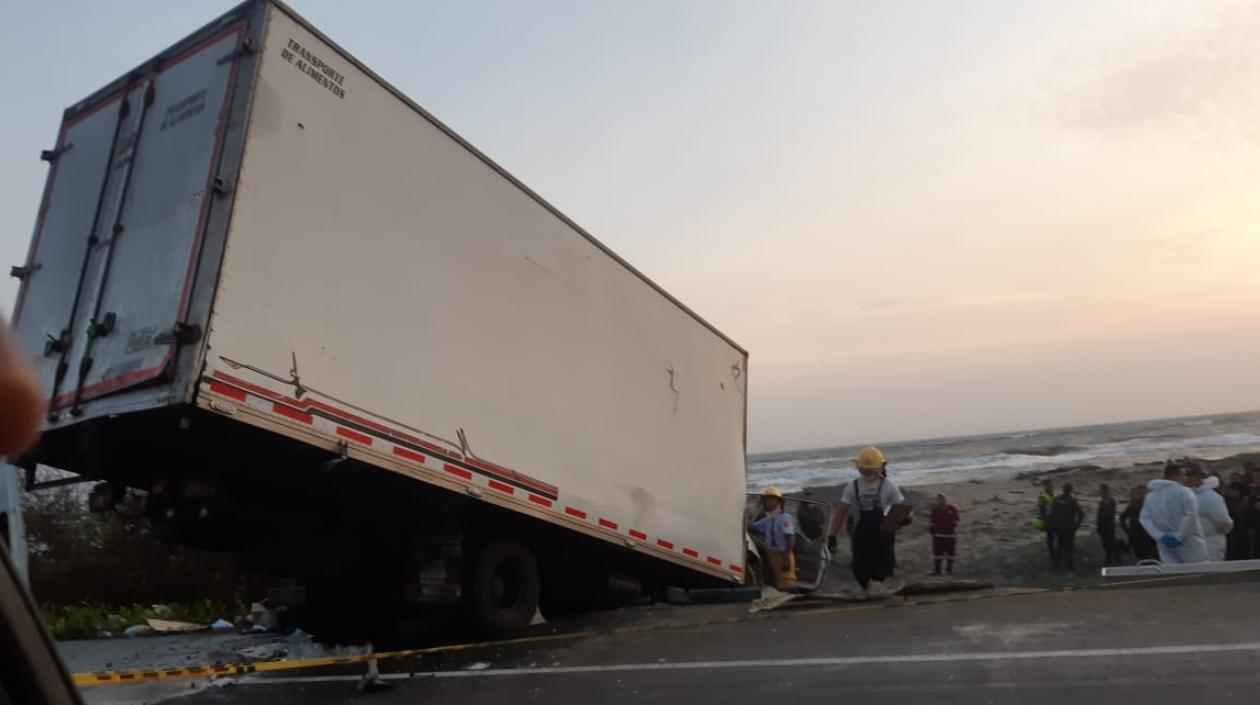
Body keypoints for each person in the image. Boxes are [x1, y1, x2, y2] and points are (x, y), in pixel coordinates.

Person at [827, 446, 907, 596]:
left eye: (871, 471)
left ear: (880, 468)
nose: (867, 474)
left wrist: (903, 520)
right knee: (858, 565)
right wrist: (832, 535)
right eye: (864, 470)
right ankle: (867, 587)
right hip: (862, 529)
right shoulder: (853, 486)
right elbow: (841, 511)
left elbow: (900, 507)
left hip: (882, 531)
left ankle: (879, 585)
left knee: (882, 564)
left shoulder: (889, 486)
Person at [1139, 462, 1208, 564]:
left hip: (1165, 544)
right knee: (1197, 572)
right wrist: (1179, 536)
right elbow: (1190, 516)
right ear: (1176, 475)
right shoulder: (1184, 492)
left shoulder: (1151, 496)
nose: (1185, 478)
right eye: (1184, 475)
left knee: (1173, 573)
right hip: (1189, 542)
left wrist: (1159, 536)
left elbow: (1145, 519)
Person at [751, 487, 797, 589]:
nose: (769, 502)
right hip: (771, 553)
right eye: (766, 500)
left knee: (787, 581)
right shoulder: (767, 520)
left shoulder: (785, 518)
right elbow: (753, 527)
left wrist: (786, 554)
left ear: (779, 502)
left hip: (783, 553)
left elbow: (790, 536)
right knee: (776, 581)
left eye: (772, 500)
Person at [1186, 466, 1233, 561]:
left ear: (1197, 478)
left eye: (1189, 477)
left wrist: (1224, 530)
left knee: (1211, 569)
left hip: (1212, 541)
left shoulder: (1210, 497)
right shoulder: (1192, 495)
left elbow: (1223, 520)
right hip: (1197, 542)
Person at [1048, 482, 1084, 570]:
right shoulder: (1072, 500)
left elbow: (1051, 515)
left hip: (1058, 528)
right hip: (1068, 528)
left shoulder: (1056, 500)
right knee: (1069, 547)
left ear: (1063, 489)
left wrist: (1052, 527)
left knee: (1060, 546)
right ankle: (1070, 566)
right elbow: (1081, 514)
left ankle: (1056, 565)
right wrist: (1076, 526)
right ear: (1071, 490)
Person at [1120, 485, 1157, 562]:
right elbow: (1122, 518)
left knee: (1148, 558)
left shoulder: (1143, 506)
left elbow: (1122, 518)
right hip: (1139, 536)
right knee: (1144, 558)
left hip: (1146, 536)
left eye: (1140, 493)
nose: (1138, 495)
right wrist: (1128, 531)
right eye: (1138, 493)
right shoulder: (1134, 506)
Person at [928, 493, 960, 575]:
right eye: (939, 499)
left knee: (950, 553)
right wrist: (932, 531)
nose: (941, 501)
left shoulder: (952, 509)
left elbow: (957, 519)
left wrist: (952, 526)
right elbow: (932, 522)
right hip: (938, 535)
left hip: (950, 535)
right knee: (937, 553)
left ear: (945, 499)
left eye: (942, 499)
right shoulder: (935, 510)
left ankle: (949, 569)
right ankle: (937, 570)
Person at [1096, 484, 1119, 567]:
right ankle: (1113, 558)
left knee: (1108, 543)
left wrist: (1099, 524)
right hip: (1107, 526)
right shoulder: (1106, 500)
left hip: (1107, 526)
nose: (1100, 492)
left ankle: (1110, 560)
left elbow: (1105, 514)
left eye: (1101, 491)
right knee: (1107, 543)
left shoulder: (1108, 501)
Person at [1036, 478, 1056, 565]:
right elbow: (1042, 509)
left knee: (1054, 536)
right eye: (1050, 486)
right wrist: (1046, 519)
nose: (1052, 487)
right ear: (1045, 486)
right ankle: (1052, 554)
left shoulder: (1052, 495)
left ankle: (1054, 551)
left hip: (1054, 518)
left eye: (1052, 485)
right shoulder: (1042, 496)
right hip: (1048, 520)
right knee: (1050, 537)